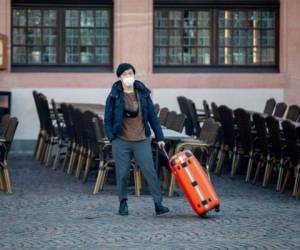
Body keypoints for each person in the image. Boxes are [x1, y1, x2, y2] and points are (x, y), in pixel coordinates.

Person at [104, 62, 169, 216]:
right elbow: (107, 119)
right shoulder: (114, 95)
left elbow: (153, 116)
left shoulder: (142, 92)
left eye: (130, 74)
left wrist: (160, 137)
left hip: (141, 139)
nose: (128, 77)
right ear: (119, 77)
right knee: (123, 173)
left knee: (150, 172)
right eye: (125, 74)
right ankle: (123, 203)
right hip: (121, 140)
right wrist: (112, 137)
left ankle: (158, 204)